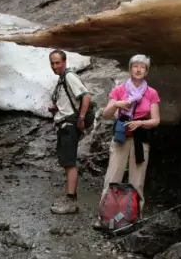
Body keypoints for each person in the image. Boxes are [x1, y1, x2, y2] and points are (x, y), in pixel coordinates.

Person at [95, 54, 160, 227]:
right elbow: (106, 114)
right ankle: (103, 217)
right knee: (112, 176)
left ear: (146, 71)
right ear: (130, 69)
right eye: (135, 66)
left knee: (137, 181)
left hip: (140, 139)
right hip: (121, 137)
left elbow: (156, 120)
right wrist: (116, 105)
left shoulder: (151, 93)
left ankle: (134, 217)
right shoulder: (120, 90)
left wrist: (140, 122)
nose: (138, 69)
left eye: (142, 67)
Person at [48, 49, 92, 214]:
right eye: (52, 63)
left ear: (65, 62)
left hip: (70, 124)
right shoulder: (62, 79)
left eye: (57, 62)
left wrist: (81, 118)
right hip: (64, 123)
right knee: (66, 162)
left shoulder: (69, 77)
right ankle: (69, 198)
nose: (54, 66)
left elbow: (86, 96)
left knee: (69, 162)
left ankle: (71, 201)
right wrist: (56, 107)